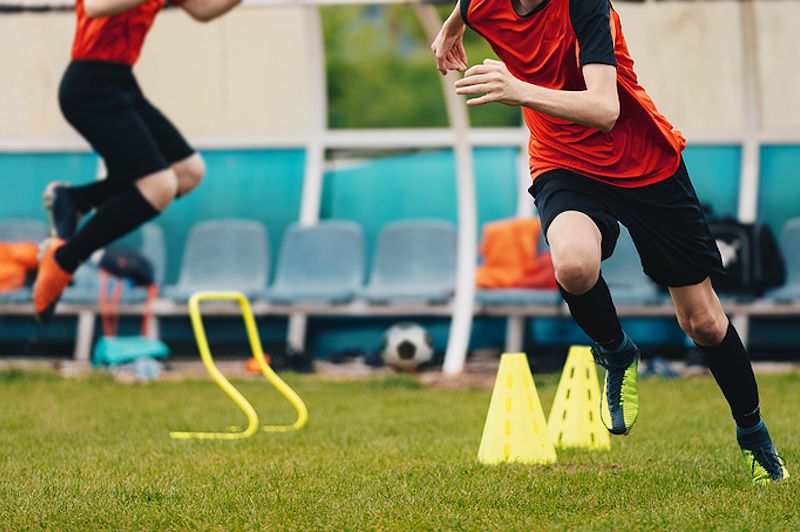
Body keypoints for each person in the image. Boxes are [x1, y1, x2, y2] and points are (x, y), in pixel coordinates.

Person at [431, 0, 788, 484]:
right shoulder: (482, 3)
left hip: (644, 166)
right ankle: (616, 351)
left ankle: (753, 432)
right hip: (564, 162)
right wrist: (452, 27)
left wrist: (518, 90)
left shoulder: (586, 6)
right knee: (573, 265)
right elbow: (469, 5)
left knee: (702, 321)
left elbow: (604, 108)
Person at [33, 0, 241, 321]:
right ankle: (64, 260)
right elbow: (95, 7)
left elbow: (202, 10)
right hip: (89, 85)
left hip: (122, 83)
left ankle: (76, 198)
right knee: (159, 186)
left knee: (187, 172)